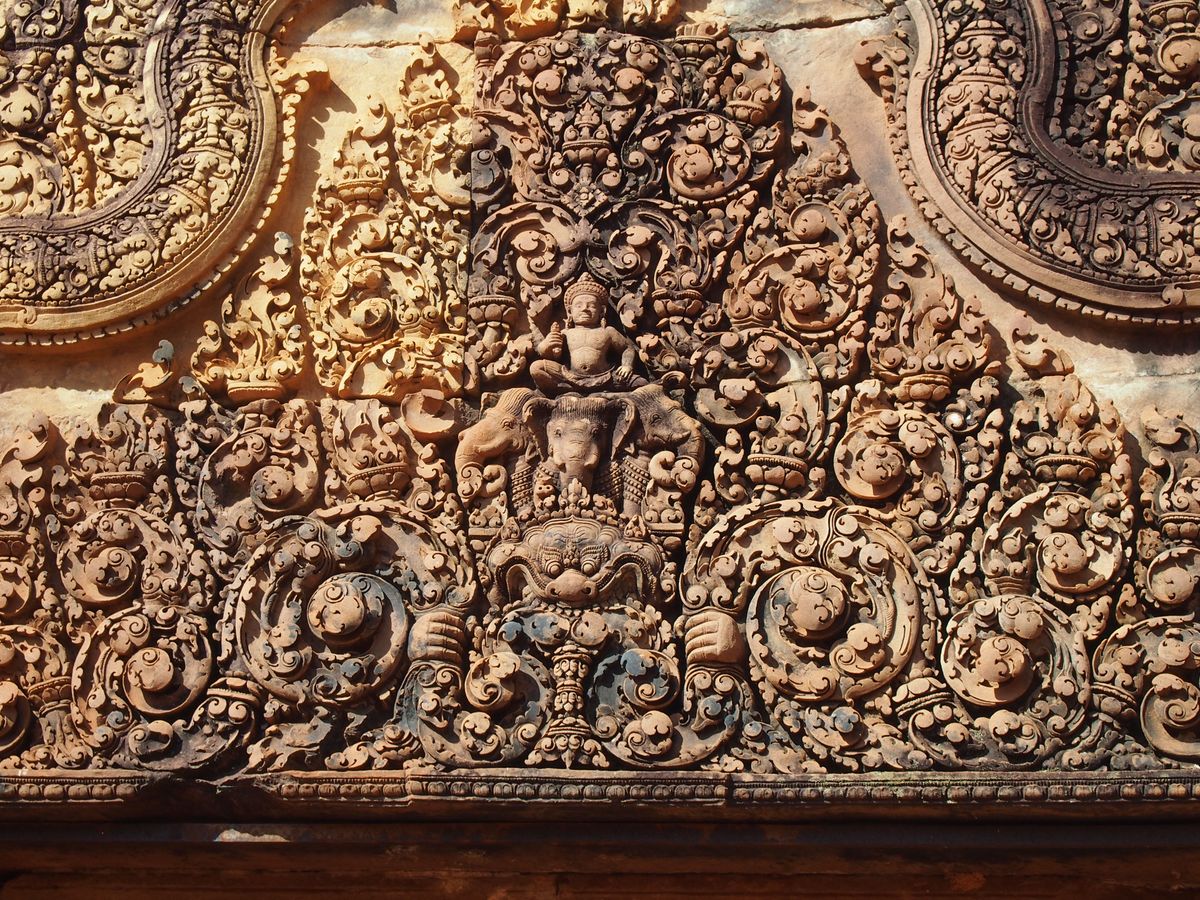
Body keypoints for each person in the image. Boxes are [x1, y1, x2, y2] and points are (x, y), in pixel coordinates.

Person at [531, 274, 645, 394]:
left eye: (591, 305)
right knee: (536, 368)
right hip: (570, 376)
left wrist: (627, 366)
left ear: (602, 311)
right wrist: (547, 345)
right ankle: (571, 389)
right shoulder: (566, 333)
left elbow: (627, 348)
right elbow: (552, 355)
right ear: (569, 311)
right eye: (578, 306)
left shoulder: (608, 331)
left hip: (605, 377)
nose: (584, 309)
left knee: (641, 383)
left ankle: (575, 392)